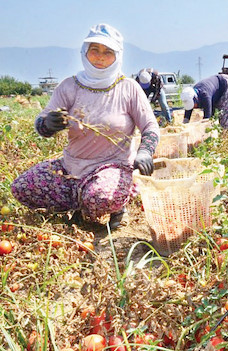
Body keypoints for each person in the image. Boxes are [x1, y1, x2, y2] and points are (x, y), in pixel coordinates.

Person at [10, 23, 159, 230]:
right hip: (71, 167)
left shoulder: (128, 88)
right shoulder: (69, 86)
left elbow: (150, 126)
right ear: (84, 53)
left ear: (118, 56)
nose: (100, 57)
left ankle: (116, 202)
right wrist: (48, 124)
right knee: (22, 187)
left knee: (100, 198)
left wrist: (145, 152)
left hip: (112, 165)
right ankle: (81, 202)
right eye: (94, 50)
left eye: (108, 52)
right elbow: (41, 124)